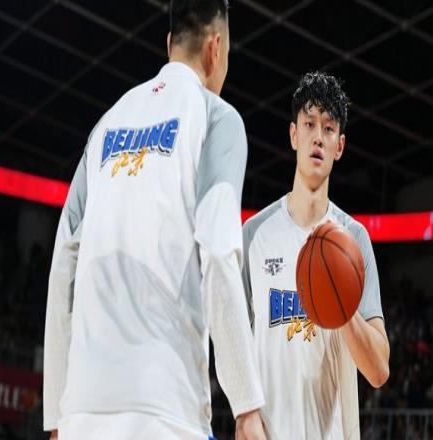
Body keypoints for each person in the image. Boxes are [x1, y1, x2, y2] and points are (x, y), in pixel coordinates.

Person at [43, 1, 266, 438]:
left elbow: (62, 266)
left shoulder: (106, 124)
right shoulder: (217, 118)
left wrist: (56, 415)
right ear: (215, 48)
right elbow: (218, 252)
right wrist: (246, 404)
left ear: (169, 44)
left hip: (82, 410)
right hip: (166, 406)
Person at [242, 72, 390, 439]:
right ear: (294, 135)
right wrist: (243, 411)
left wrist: (342, 307)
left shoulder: (353, 238)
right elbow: (234, 343)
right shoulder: (254, 235)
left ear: (340, 146)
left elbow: (379, 371)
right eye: (309, 124)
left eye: (328, 128)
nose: (318, 137)